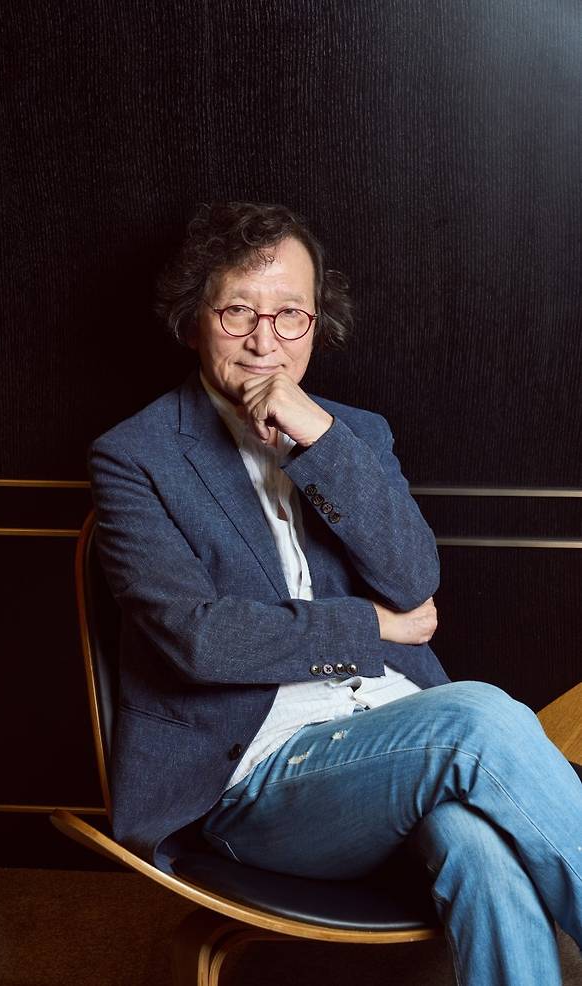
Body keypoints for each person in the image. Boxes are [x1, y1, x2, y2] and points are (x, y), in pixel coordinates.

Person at [89, 201, 582, 986]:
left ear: (317, 323)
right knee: (480, 717)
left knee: (477, 842)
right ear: (194, 320)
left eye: (291, 314)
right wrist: (372, 627)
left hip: (391, 745)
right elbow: (198, 638)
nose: (265, 341)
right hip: (254, 780)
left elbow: (413, 579)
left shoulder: (353, 433)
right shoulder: (137, 456)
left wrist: (317, 439)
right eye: (238, 312)